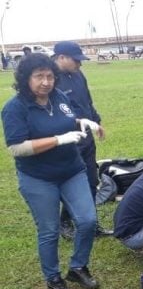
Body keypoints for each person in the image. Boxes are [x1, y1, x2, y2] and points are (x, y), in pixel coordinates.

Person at [1, 53, 101, 289]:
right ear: (26, 79)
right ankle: (53, 278)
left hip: (72, 170)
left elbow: (65, 119)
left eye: (49, 76)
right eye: (39, 77)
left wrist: (83, 121)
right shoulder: (14, 108)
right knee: (49, 229)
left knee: (87, 221)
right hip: (38, 178)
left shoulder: (59, 97)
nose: (46, 82)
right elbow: (17, 147)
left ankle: (78, 267)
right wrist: (58, 140)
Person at [52, 41, 112, 238]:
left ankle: (91, 224)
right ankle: (65, 221)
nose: (80, 64)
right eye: (76, 60)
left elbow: (87, 101)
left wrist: (96, 121)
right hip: (68, 139)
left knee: (91, 180)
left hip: (87, 138)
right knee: (73, 181)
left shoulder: (78, 75)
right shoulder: (49, 80)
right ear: (61, 57)